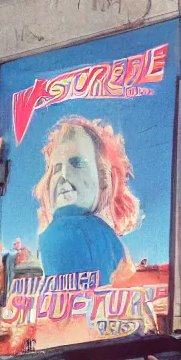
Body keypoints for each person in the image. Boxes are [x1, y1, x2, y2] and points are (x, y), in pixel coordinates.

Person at [34, 116, 140, 284]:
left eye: (78, 163)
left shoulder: (91, 233)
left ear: (104, 179)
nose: (63, 175)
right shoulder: (50, 235)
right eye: (57, 168)